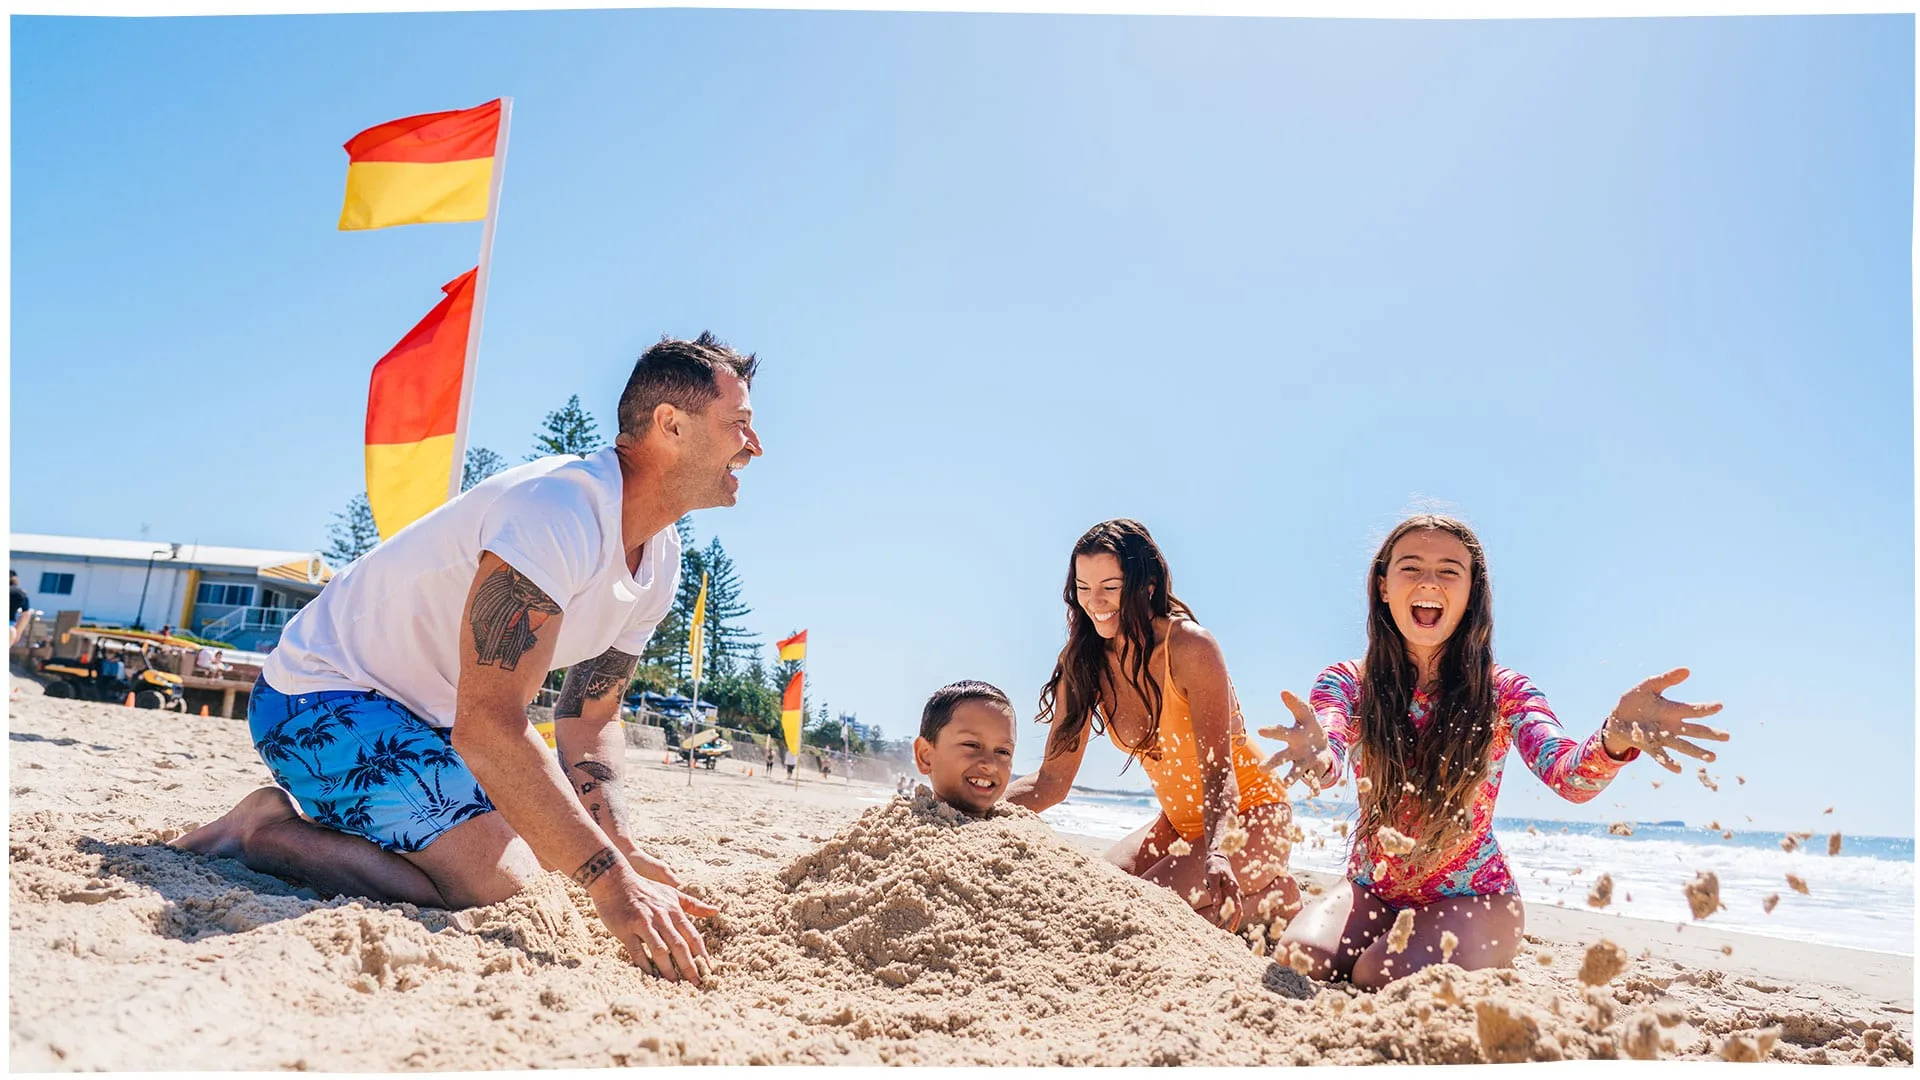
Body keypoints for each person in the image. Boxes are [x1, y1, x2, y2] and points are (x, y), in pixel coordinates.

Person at [174, 333, 764, 982]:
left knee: (552, 849)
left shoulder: (662, 556)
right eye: (738, 424)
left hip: (429, 721)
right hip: (318, 696)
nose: (754, 446)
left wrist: (617, 844)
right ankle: (262, 833)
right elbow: (489, 725)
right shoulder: (560, 510)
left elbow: (589, 717)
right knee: (502, 882)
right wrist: (612, 886)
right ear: (670, 425)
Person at [1265, 514, 1728, 989]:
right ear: (1383, 587)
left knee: (1381, 974)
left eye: (1449, 571)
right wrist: (1319, 756)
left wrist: (1613, 739)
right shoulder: (1347, 682)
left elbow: (1568, 777)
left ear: (1471, 594)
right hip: (1373, 891)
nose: (1429, 582)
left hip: (1475, 901)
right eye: (1410, 568)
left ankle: (1441, 945)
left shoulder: (1505, 692)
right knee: (1299, 958)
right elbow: (1329, 748)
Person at [1007, 519, 1302, 932]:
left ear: (1146, 585)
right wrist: (973, 814)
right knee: (1094, 894)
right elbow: (1051, 781)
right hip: (1179, 824)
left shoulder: (1189, 646)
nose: (1095, 601)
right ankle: (1259, 896)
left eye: (1110, 587)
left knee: (1145, 915)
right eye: (1083, 587)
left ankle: (1279, 898)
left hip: (1252, 817)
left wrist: (1219, 850)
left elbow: (1218, 771)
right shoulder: (1083, 662)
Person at [912, 680, 1016, 816]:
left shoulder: (1028, 833)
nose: (990, 765)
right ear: (925, 756)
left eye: (1003, 752)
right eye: (971, 745)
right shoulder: (892, 832)